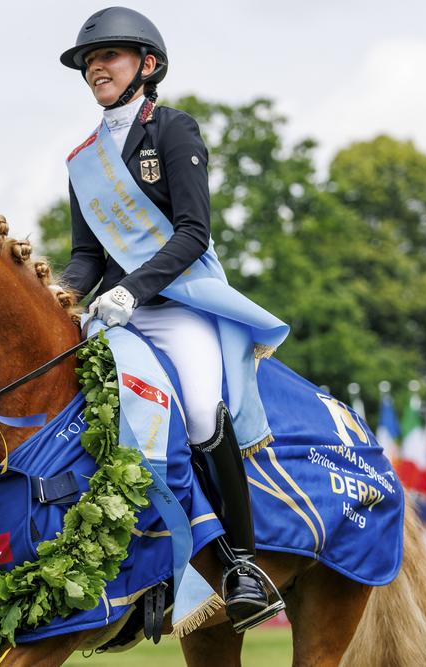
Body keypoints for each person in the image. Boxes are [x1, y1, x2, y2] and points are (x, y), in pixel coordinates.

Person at [58, 7, 289, 630]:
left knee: (197, 413)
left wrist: (133, 290)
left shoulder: (175, 131)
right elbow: (85, 257)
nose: (95, 67)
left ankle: (243, 566)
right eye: (88, 60)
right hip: (116, 311)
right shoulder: (83, 160)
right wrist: (61, 296)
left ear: (147, 66)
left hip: (182, 304)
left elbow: (193, 232)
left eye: (108, 56)